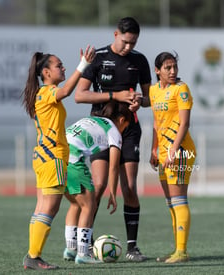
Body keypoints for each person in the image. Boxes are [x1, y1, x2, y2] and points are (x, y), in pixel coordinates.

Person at [74, 16, 151, 262]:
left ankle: (132, 247)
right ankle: (84, 245)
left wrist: (141, 101)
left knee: (129, 188)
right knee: (97, 187)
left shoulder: (139, 61)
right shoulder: (97, 57)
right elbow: (80, 95)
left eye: (134, 42)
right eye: (126, 41)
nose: (129, 47)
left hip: (128, 129)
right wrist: (114, 95)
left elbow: (151, 98)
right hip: (100, 130)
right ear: (116, 34)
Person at [21, 45, 95, 270]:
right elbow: (65, 92)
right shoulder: (47, 92)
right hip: (52, 157)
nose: (63, 68)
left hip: (44, 157)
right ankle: (34, 256)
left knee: (41, 207)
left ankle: (32, 256)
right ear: (45, 73)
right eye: (58, 65)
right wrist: (83, 66)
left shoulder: (41, 94)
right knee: (49, 209)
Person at [63, 101, 132, 264]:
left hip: (57, 159)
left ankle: (71, 249)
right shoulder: (114, 131)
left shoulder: (91, 119)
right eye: (126, 126)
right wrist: (113, 193)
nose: (124, 130)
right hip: (73, 160)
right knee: (89, 205)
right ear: (122, 120)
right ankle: (83, 253)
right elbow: (114, 166)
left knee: (75, 204)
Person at [149, 51, 197, 264]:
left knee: (179, 200)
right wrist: (154, 149)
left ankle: (182, 251)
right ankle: (177, 249)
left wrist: (173, 150)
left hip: (180, 151)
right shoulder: (153, 90)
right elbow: (156, 123)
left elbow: (184, 124)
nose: (173, 71)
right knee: (170, 202)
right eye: (167, 68)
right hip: (163, 152)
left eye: (174, 66)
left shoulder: (182, 89)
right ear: (157, 71)